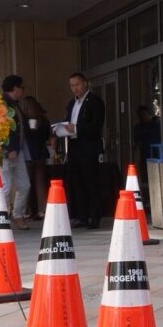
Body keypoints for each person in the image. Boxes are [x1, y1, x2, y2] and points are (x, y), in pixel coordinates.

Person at [63, 72, 105, 229]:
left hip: (89, 147)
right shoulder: (71, 104)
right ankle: (82, 216)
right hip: (74, 147)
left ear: (85, 83)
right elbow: (69, 121)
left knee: (91, 182)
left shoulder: (94, 101)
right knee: (77, 183)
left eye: (77, 85)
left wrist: (76, 128)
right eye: (72, 86)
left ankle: (95, 216)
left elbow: (96, 125)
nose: (75, 88)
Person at [0, 75, 32, 229]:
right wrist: (6, 149)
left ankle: (17, 215)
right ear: (15, 88)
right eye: (21, 87)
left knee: (24, 185)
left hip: (17, 151)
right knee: (5, 186)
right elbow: (2, 130)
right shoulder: (2, 104)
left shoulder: (15, 104)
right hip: (6, 152)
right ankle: (0, 216)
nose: (22, 91)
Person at [21, 95, 52, 220]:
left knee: (25, 183)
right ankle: (42, 210)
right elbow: (46, 135)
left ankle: (26, 210)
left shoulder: (26, 119)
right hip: (41, 153)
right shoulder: (43, 119)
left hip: (29, 153)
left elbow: (28, 136)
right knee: (40, 183)